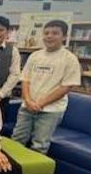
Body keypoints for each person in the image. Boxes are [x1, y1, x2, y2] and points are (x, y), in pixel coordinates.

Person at [12, 20, 81, 154]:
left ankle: (34, 173)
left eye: (55, 33)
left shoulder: (70, 59)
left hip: (50, 110)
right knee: (17, 139)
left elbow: (65, 87)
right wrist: (28, 101)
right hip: (27, 107)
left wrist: (40, 104)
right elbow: (25, 80)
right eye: (46, 33)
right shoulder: (35, 56)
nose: (49, 36)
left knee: (40, 144)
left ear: (64, 37)